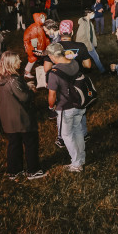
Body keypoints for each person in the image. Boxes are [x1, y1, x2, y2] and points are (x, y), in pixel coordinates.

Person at [0, 51, 44, 180]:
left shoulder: (1, 78)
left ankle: (14, 170)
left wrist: (24, 86)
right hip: (21, 119)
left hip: (8, 120)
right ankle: (33, 170)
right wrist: (31, 90)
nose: (20, 61)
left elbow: (13, 92)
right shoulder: (14, 80)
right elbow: (24, 97)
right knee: (30, 143)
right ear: (11, 63)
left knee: (13, 144)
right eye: (17, 60)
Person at [46, 42, 86, 172]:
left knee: (67, 135)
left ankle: (76, 164)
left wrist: (51, 107)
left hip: (65, 107)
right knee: (78, 130)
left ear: (52, 56)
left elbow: (52, 95)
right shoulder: (74, 63)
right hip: (79, 104)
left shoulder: (54, 73)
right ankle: (82, 158)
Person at [22, 12, 49, 80]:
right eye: (42, 18)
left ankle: (40, 72)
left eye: (44, 18)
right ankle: (27, 72)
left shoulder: (40, 26)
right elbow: (34, 39)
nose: (44, 19)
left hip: (39, 47)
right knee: (32, 59)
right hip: (34, 47)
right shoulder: (35, 27)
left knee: (35, 59)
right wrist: (35, 48)